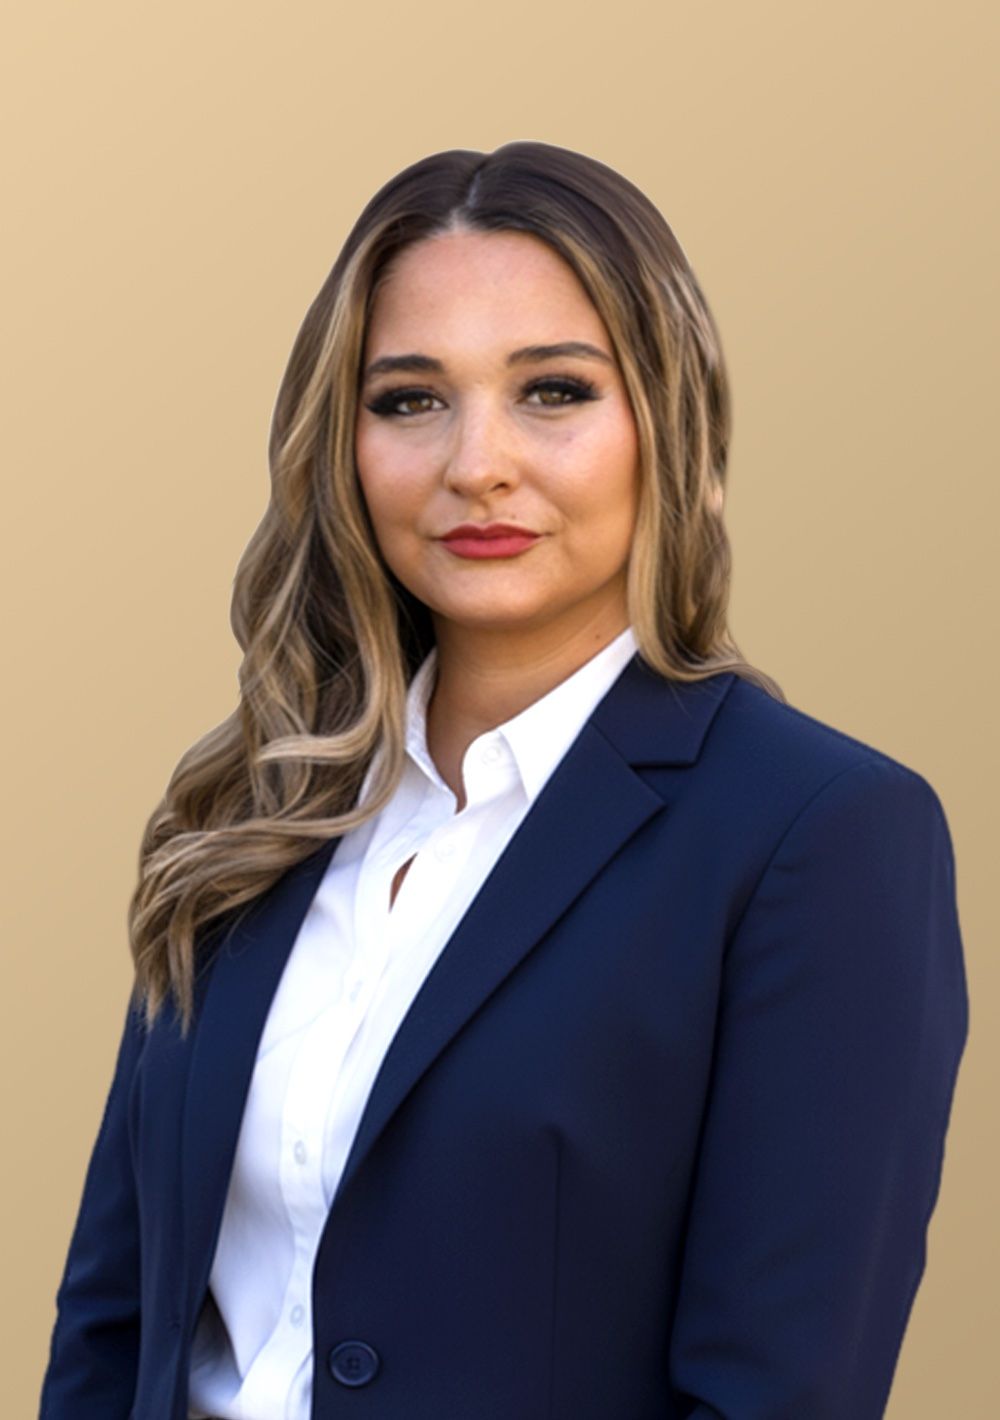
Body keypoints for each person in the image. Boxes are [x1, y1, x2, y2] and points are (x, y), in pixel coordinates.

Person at [38, 141, 968, 1420]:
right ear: (344, 443)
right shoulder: (257, 811)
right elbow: (112, 1324)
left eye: (554, 391)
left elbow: (778, 1390)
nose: (476, 462)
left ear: (666, 416)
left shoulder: (817, 833)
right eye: (410, 399)